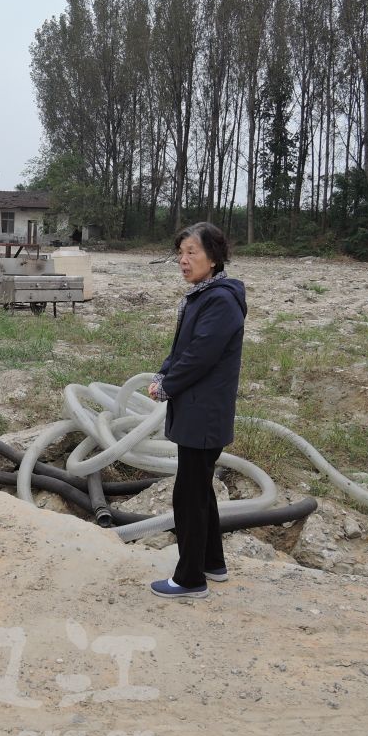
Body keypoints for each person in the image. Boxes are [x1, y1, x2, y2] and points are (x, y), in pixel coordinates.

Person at [147, 222, 247, 599]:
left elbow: (200, 356)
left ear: (215, 258)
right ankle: (212, 562)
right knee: (201, 489)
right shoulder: (202, 295)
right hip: (197, 408)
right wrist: (163, 372)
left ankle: (189, 579)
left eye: (192, 253)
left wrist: (169, 385)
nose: (183, 260)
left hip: (203, 412)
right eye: (181, 252)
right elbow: (183, 349)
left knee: (188, 494)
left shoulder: (219, 300)